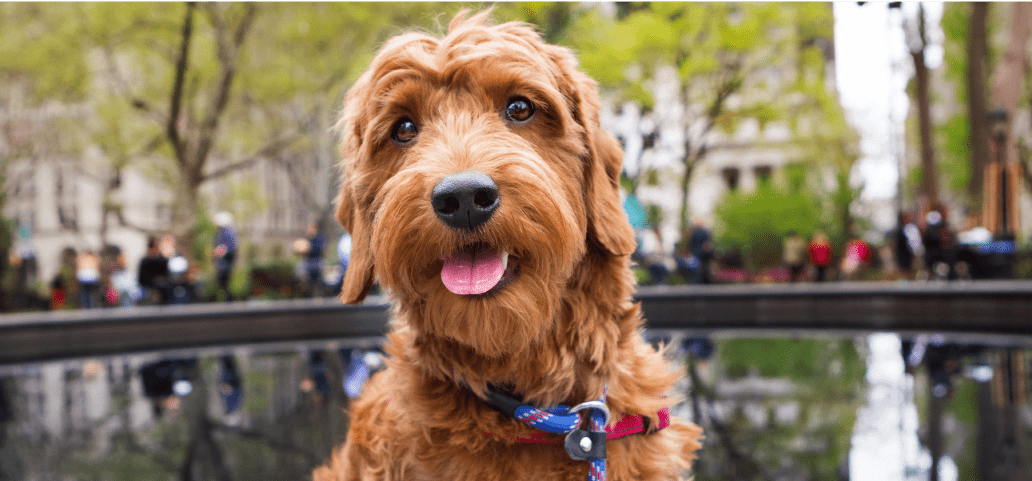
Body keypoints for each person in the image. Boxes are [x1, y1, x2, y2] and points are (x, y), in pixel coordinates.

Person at [138, 236, 172, 305]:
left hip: (163, 291)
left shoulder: (163, 260)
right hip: (147, 291)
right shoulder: (145, 261)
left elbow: (167, 277)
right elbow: (142, 280)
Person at [212, 212, 238, 301]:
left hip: (224, 263)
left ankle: (227, 300)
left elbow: (228, 247)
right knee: (223, 284)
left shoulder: (226, 231)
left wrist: (219, 251)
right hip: (224, 263)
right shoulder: (227, 231)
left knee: (223, 283)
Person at [296, 221, 326, 297]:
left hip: (316, 263)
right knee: (304, 279)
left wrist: (308, 248)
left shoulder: (319, 238)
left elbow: (319, 250)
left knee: (317, 282)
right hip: (308, 263)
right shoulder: (307, 238)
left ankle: (318, 295)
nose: (309, 229)